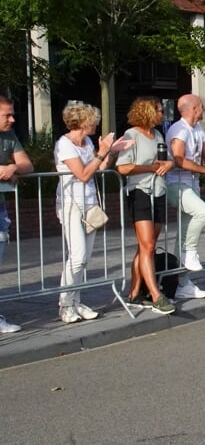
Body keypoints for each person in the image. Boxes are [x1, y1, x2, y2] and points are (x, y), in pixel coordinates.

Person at [54, 101, 132, 323]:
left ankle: (76, 301)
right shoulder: (65, 144)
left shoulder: (87, 141)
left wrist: (110, 152)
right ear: (83, 121)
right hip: (70, 204)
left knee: (85, 258)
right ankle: (65, 304)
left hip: (89, 204)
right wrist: (102, 151)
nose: (96, 124)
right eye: (94, 120)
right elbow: (82, 174)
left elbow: (99, 168)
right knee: (76, 256)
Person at [116, 97, 176, 315]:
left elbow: (168, 159)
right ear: (148, 112)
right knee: (148, 245)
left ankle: (134, 293)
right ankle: (156, 295)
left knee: (146, 246)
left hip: (158, 191)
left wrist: (169, 163)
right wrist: (149, 168)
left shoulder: (158, 134)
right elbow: (122, 167)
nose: (162, 114)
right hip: (140, 192)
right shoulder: (132, 134)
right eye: (159, 110)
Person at [165, 94, 205, 298]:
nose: (203, 109)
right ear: (192, 109)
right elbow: (179, 160)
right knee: (203, 212)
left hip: (191, 185)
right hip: (176, 185)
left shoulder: (197, 129)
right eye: (200, 106)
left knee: (184, 233)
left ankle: (181, 284)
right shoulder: (178, 130)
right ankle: (189, 253)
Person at [0, 96, 34, 333]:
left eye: (12, 114)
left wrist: (13, 167)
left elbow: (28, 165)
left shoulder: (9, 136)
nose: (12, 119)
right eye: (6, 115)